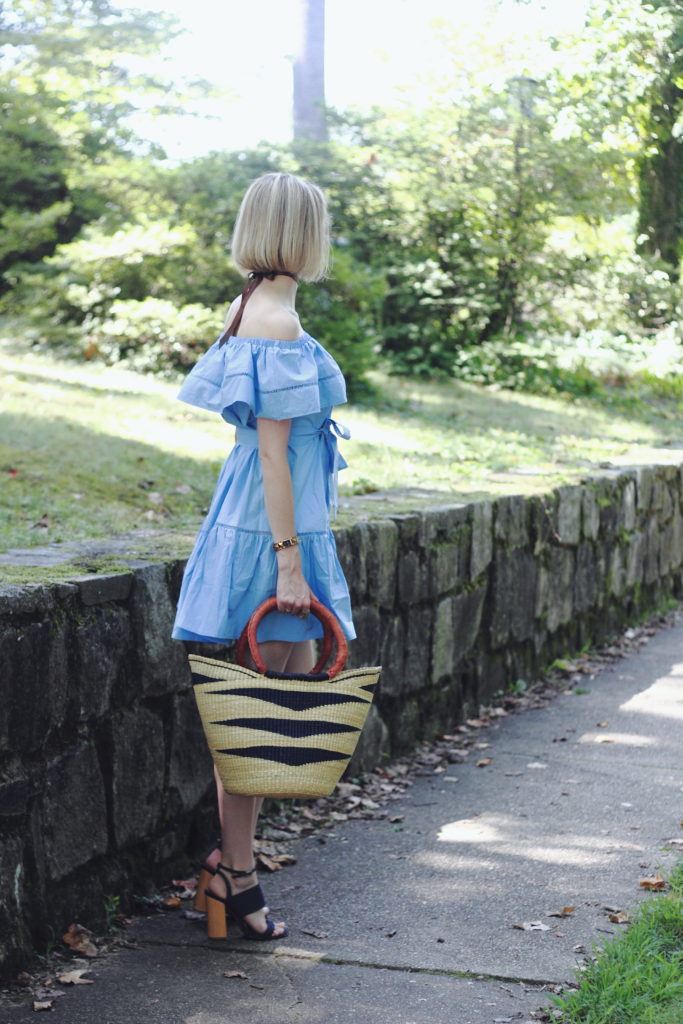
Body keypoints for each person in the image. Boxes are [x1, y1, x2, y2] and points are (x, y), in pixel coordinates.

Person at [170, 171, 355, 941]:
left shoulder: (253, 304)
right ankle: (236, 877)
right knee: (258, 715)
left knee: (263, 712)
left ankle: (230, 872)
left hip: (263, 520)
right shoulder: (274, 318)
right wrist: (288, 564)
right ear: (301, 234)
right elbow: (274, 457)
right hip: (270, 532)